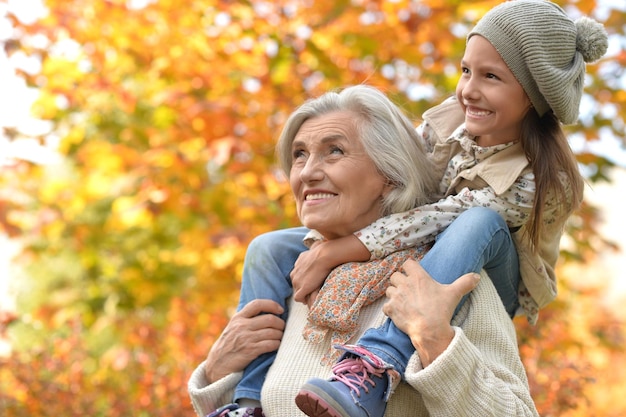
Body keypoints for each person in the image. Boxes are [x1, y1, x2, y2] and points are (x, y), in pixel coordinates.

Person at [293, 2, 608, 417]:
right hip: (432, 241)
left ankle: (377, 360)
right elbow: (401, 173)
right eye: (465, 70)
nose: (468, 90)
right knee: (272, 246)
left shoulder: (538, 178)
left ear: (534, 95)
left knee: (477, 221)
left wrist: (336, 250)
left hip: (493, 267)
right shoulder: (455, 120)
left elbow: (431, 221)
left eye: (491, 77)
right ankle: (245, 395)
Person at [188, 84, 540, 416]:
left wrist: (436, 341)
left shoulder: (446, 280)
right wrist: (218, 374)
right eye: (299, 155)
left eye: (334, 151)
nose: (308, 172)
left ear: (389, 175)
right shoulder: (288, 281)